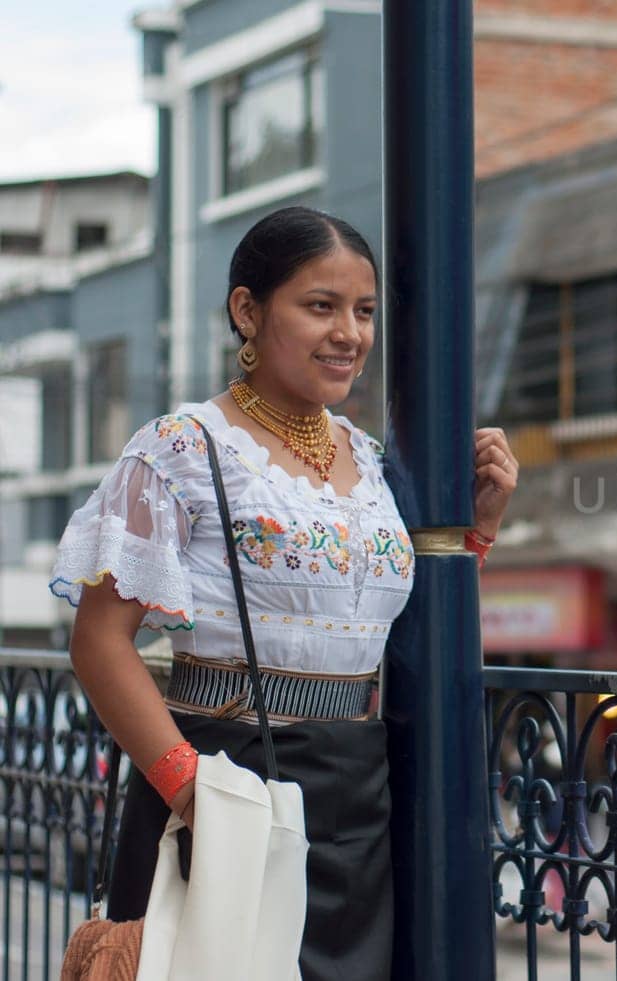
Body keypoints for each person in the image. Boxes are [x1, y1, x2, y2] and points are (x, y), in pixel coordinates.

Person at [50, 207, 518, 981]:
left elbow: (401, 635)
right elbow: (98, 638)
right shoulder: (184, 447)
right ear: (248, 310)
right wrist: (192, 791)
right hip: (224, 778)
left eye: (364, 312)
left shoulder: (373, 465)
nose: (350, 334)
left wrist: (478, 535)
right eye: (321, 305)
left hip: (360, 796)